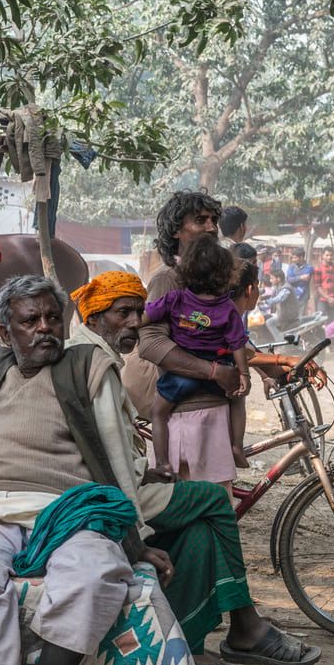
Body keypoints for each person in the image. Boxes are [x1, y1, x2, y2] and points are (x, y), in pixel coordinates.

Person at [0, 274, 316, 665]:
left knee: (98, 576)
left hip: (69, 506)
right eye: (30, 321)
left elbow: (114, 452)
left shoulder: (87, 365)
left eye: (53, 318)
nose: (46, 329)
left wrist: (132, 539)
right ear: (5, 332)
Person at [69, 270, 320, 665]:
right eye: (122, 313)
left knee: (203, 532)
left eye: (137, 312)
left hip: (122, 483)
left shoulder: (97, 353)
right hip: (107, 500)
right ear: (95, 318)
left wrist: (147, 470)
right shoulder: (98, 364)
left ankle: (187, 648)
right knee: (213, 502)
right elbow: (109, 458)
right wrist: (136, 535)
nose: (134, 322)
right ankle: (245, 624)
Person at [126, 192, 246, 486]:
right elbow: (151, 344)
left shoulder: (211, 278)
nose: (210, 228)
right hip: (184, 417)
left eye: (214, 221)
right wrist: (215, 371)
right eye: (200, 220)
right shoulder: (168, 278)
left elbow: (231, 336)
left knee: (215, 511)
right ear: (176, 231)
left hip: (211, 412)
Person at [143, 235, 249, 473]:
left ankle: (162, 463)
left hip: (183, 373)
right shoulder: (228, 309)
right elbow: (238, 343)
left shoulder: (175, 299)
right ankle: (237, 447)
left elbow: (145, 317)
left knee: (157, 412)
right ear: (226, 275)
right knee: (237, 399)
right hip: (220, 370)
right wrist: (243, 375)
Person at [259, 266, 299, 331]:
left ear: (278, 279)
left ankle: (278, 339)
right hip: (281, 314)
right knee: (264, 317)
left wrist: (264, 302)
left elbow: (278, 299)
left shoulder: (286, 288)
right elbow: (271, 298)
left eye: (272, 278)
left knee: (269, 323)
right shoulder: (277, 287)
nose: (270, 280)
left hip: (288, 316)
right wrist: (260, 306)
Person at [312, 247, 334, 328]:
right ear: (322, 256)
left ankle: (331, 339)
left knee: (332, 322)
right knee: (320, 321)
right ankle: (321, 339)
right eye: (327, 255)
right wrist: (328, 298)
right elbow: (317, 286)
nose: (329, 257)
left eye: (331, 255)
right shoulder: (318, 268)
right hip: (322, 300)